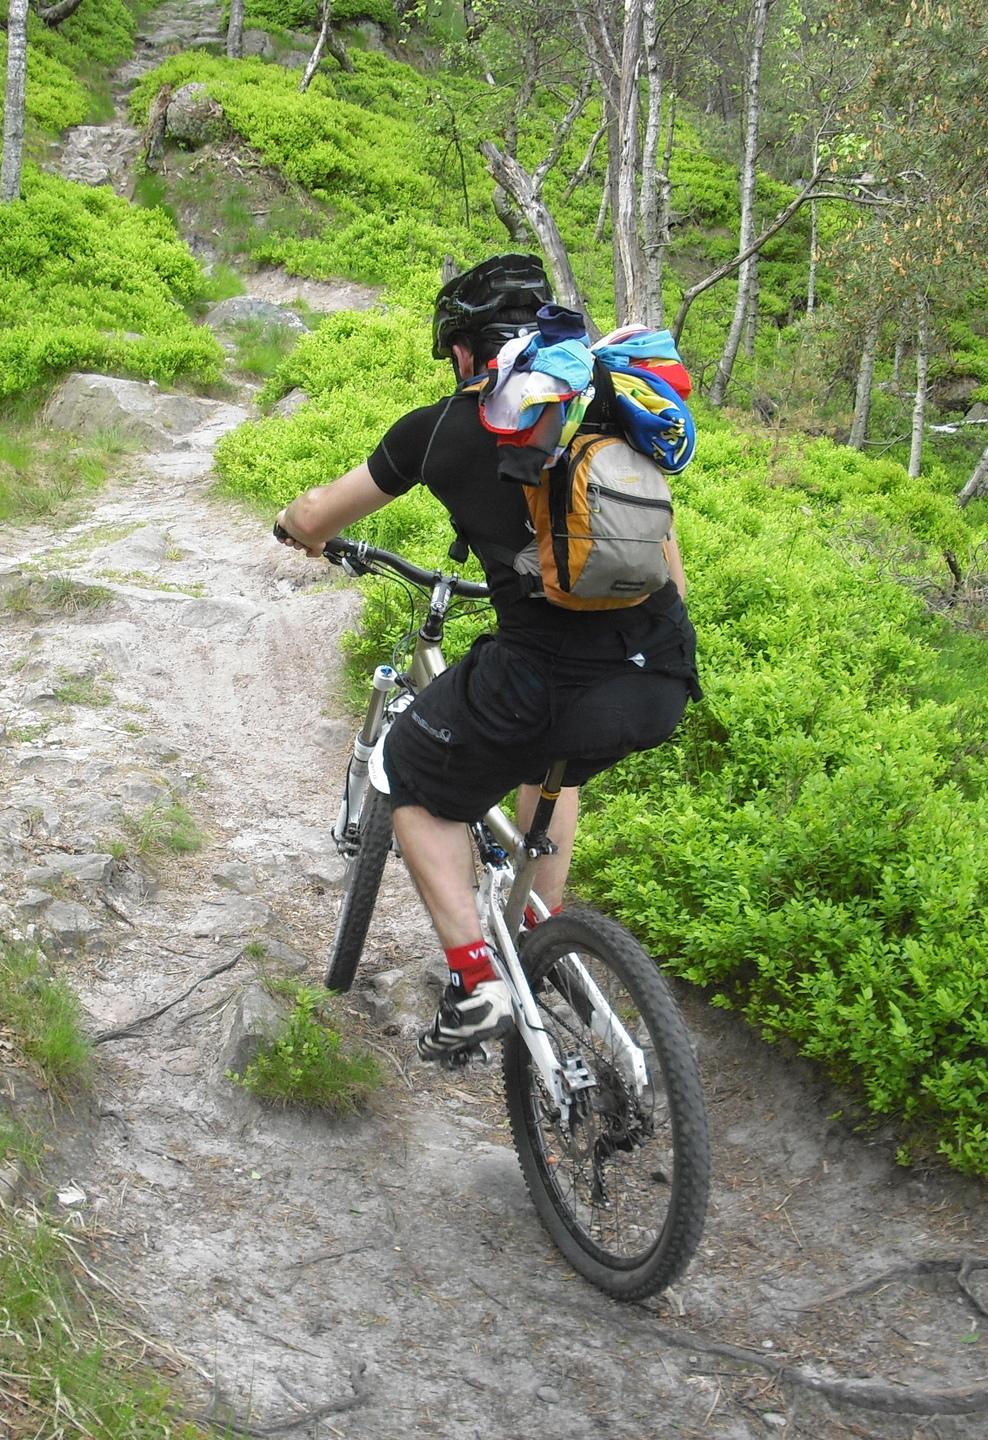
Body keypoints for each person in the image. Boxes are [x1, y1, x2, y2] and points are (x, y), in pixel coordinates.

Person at [275, 254, 699, 1061]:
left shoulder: (439, 429)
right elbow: (663, 555)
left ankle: (477, 981)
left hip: (544, 679)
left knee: (409, 772)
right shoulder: (606, 404)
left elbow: (316, 512)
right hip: (659, 675)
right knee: (556, 763)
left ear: (466, 351)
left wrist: (297, 532)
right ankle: (543, 936)